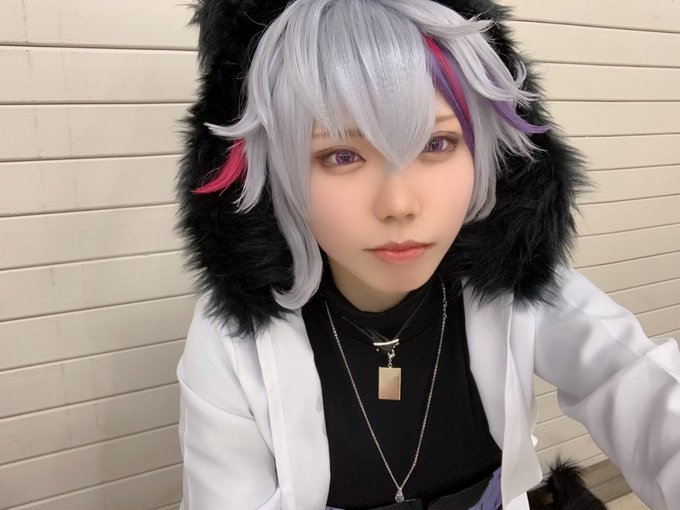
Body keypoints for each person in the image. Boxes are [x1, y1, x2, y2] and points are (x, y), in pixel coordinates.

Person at [175, 0, 680, 509]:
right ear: (278, 172)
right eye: (342, 155)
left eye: (437, 144)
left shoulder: (517, 286)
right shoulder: (230, 343)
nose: (399, 204)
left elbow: (638, 381)